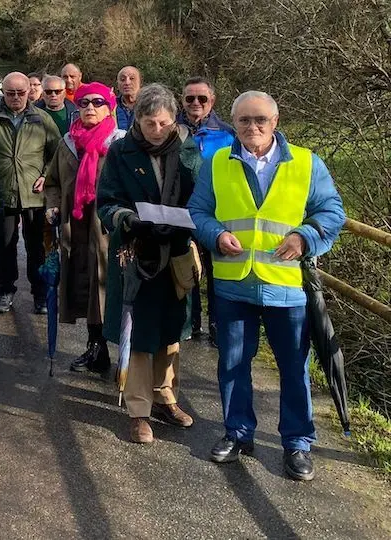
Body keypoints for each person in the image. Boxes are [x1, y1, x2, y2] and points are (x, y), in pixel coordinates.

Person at [188, 91, 345, 481]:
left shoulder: (307, 163)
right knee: (233, 364)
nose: (252, 127)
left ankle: (297, 443)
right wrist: (214, 235)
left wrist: (306, 236)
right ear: (234, 123)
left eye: (260, 120)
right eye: (243, 120)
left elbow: (332, 211)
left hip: (287, 287)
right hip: (233, 285)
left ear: (275, 122)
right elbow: (198, 211)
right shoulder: (216, 162)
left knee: (294, 368)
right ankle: (238, 432)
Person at [97, 84, 202, 444]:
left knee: (172, 328)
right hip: (136, 249)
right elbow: (106, 202)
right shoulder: (120, 152)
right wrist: (128, 219)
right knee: (140, 330)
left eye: (163, 123)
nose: (157, 130)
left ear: (174, 120)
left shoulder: (188, 152)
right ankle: (139, 410)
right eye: (149, 123)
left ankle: (165, 395)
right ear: (136, 120)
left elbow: (202, 198)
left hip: (176, 249)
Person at [44, 82, 125, 373]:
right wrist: (52, 204)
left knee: (105, 286)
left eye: (98, 102)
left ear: (109, 107)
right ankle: (95, 347)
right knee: (83, 286)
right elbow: (52, 181)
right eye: (84, 103)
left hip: (107, 228)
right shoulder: (67, 142)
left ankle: (121, 354)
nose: (90, 108)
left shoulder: (120, 143)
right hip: (74, 226)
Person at [0, 72, 61, 314]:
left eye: (20, 92)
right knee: (6, 245)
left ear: (29, 92)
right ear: (2, 93)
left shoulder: (42, 119)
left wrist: (45, 175)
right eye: (10, 93)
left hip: (33, 194)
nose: (15, 97)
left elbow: (57, 153)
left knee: (36, 246)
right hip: (3, 192)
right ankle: (5, 291)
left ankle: (39, 294)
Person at [177, 76, 236, 345]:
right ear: (182, 100)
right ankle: (189, 325)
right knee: (186, 268)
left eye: (202, 98)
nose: (195, 103)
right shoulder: (171, 129)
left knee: (216, 270)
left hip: (217, 212)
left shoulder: (226, 133)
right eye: (190, 98)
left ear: (212, 101)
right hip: (182, 208)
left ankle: (216, 326)